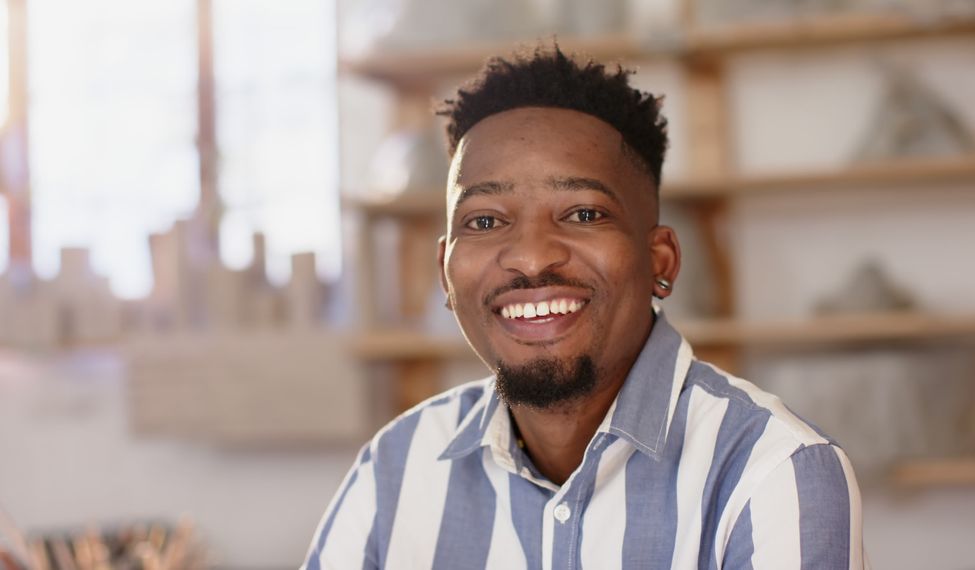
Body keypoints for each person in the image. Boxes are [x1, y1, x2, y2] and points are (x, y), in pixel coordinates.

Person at [303, 45, 868, 569]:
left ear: (661, 262)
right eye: (485, 220)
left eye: (584, 214)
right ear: (444, 273)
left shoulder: (773, 472)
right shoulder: (395, 469)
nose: (530, 258)